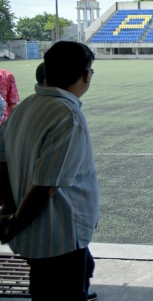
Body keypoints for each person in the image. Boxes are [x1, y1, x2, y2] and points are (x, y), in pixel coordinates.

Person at [0, 41, 99, 301]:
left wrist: (9, 212)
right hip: (60, 238)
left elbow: (3, 163)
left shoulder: (23, 109)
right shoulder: (68, 117)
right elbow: (47, 186)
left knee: (43, 290)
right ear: (86, 75)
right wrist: (12, 225)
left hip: (36, 237)